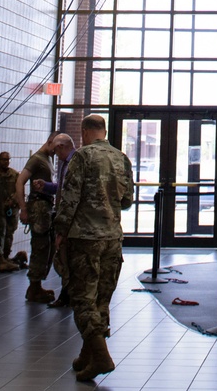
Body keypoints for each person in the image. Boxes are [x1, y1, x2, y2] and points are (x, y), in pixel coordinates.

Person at [54, 114, 133, 382]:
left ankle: (101, 357)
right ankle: (87, 356)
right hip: (113, 238)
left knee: (82, 298)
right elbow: (127, 200)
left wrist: (60, 232)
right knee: (101, 298)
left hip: (85, 239)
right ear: (105, 131)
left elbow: (70, 197)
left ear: (86, 132)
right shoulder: (122, 158)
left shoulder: (83, 156)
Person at [34, 133, 75, 308]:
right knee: (64, 260)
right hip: (64, 218)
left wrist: (63, 228)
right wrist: (46, 186)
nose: (55, 155)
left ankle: (69, 296)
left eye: (56, 152)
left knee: (64, 260)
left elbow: (71, 194)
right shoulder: (66, 164)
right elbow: (62, 188)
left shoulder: (74, 163)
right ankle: (66, 295)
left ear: (61, 147)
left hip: (69, 220)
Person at [15, 136, 57, 302]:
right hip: (38, 205)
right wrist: (23, 208)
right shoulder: (37, 159)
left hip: (45, 206)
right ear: (50, 141)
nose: (57, 150)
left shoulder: (47, 159)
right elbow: (20, 181)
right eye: (56, 146)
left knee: (46, 247)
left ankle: (37, 285)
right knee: (40, 247)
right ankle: (34, 287)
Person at [0, 151, 21, 270]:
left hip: (11, 210)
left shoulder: (13, 174)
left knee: (9, 233)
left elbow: (19, 190)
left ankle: (6, 256)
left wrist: (12, 201)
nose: (6, 162)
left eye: (8, 160)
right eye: (3, 159)